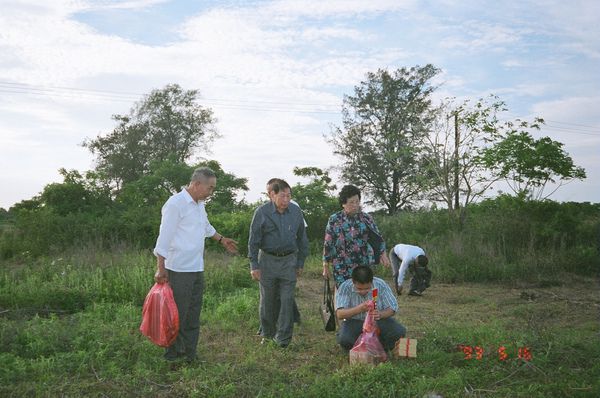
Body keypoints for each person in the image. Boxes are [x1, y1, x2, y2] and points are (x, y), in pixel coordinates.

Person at [153, 167, 238, 363]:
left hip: (196, 268)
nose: (211, 193)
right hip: (178, 269)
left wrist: (221, 239)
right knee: (177, 316)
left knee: (192, 314)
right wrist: (161, 266)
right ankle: (173, 356)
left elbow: (206, 226)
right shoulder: (176, 204)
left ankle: (189, 354)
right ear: (197, 184)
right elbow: (164, 238)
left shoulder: (199, 204)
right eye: (210, 188)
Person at [248, 179, 309, 348]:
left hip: (289, 261)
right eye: (283, 196)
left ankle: (283, 339)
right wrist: (254, 265)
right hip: (267, 261)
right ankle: (267, 335)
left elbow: (302, 239)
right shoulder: (261, 212)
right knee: (267, 301)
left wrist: (300, 263)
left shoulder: (296, 212)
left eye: (289, 196)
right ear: (272, 195)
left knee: (287, 299)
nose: (286, 200)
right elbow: (253, 242)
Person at [322, 184, 390, 288]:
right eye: (351, 202)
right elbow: (328, 243)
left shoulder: (367, 218)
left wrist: (383, 254)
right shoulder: (334, 219)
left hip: (363, 263)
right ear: (343, 204)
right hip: (341, 266)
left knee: (365, 291)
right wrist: (325, 265)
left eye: (357, 201)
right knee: (342, 292)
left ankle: (369, 305)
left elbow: (378, 238)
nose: (355, 205)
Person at [335, 265, 406, 352]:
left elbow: (392, 308)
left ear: (372, 281)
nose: (363, 292)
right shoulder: (345, 287)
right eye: (359, 289)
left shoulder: (380, 284)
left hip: (378, 321)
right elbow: (340, 314)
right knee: (344, 339)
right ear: (353, 282)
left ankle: (381, 347)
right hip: (354, 322)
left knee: (399, 331)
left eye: (367, 288)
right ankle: (359, 348)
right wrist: (359, 309)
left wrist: (380, 314)